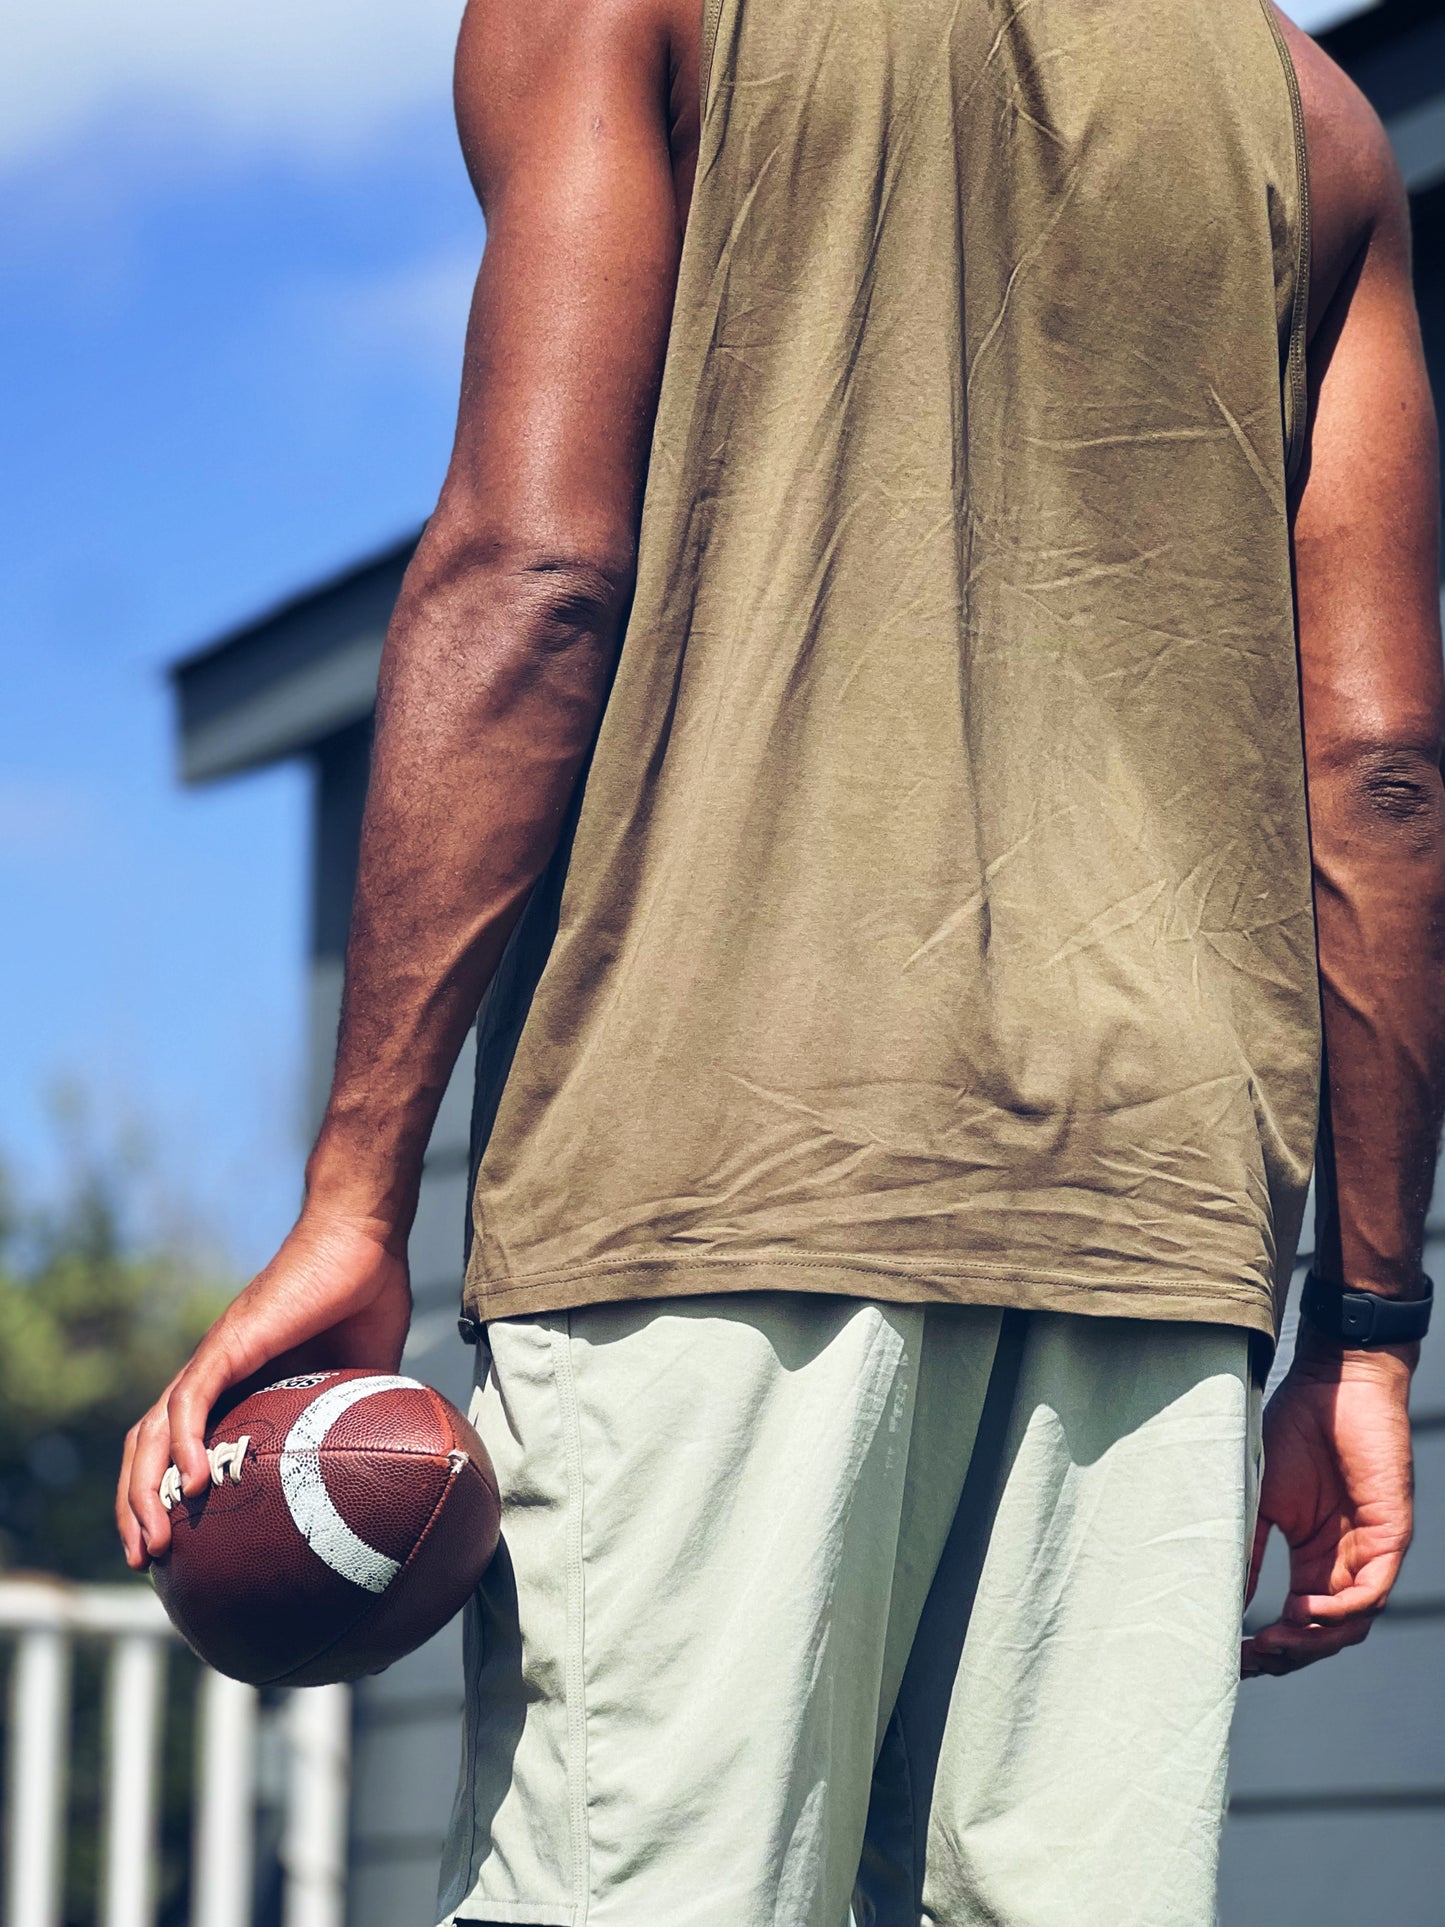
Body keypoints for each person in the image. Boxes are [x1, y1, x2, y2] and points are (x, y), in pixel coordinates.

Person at [120, 1, 1444, 1921]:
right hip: (1161, 1223)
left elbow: (533, 574)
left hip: (719, 1165)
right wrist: (1367, 1329)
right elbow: (1380, 770)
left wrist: (353, 1195)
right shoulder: (1312, 120)